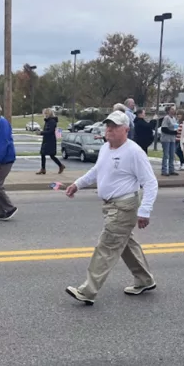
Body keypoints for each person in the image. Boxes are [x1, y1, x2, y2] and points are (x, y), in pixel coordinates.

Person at [64, 110, 158, 306]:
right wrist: (77, 184)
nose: (110, 130)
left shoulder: (134, 152)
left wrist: (145, 211)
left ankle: (88, 290)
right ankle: (145, 280)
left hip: (124, 206)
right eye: (108, 125)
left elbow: (150, 182)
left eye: (115, 126)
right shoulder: (106, 148)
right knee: (124, 244)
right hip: (110, 206)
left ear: (126, 129)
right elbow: (97, 170)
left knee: (106, 246)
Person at [36, 108, 65, 175]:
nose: (45, 115)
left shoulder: (52, 121)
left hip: (50, 140)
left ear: (50, 114)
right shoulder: (47, 121)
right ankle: (43, 169)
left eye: (46, 113)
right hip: (46, 140)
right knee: (42, 154)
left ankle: (61, 166)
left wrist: (41, 133)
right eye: (44, 113)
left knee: (51, 155)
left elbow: (50, 131)